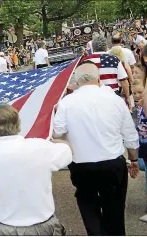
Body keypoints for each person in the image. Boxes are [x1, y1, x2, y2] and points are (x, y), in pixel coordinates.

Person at [52, 61, 139, 235]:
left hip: (81, 164)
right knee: (114, 209)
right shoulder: (114, 100)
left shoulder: (67, 103)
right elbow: (130, 135)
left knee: (88, 206)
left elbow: (57, 132)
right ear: (98, 79)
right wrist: (134, 159)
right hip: (112, 162)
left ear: (77, 81)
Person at [0, 104, 71, 235]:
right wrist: (55, 141)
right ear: (18, 125)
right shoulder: (39, 146)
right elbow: (67, 153)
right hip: (43, 226)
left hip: (4, 228)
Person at [82, 36, 131, 111]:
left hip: (94, 99)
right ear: (106, 47)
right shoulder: (115, 59)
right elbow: (124, 81)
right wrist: (128, 98)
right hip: (113, 97)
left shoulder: (85, 61)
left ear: (93, 47)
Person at [131, 79, 147, 223]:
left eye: (140, 92)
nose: (136, 95)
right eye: (134, 93)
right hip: (142, 144)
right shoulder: (139, 107)